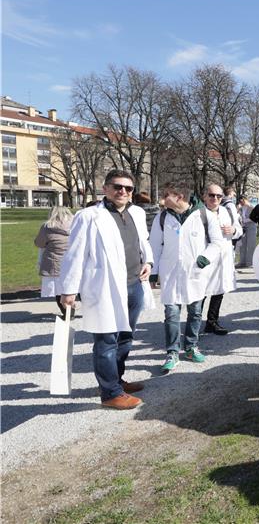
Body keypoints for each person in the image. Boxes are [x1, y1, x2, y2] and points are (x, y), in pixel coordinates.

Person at [60, 170, 154, 409]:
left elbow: (144, 242)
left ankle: (116, 380)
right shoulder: (89, 216)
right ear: (106, 188)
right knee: (106, 340)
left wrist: (149, 263)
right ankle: (110, 393)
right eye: (117, 186)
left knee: (126, 337)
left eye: (128, 188)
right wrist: (69, 290)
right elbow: (75, 254)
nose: (123, 191)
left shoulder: (137, 213)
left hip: (134, 286)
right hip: (105, 288)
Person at [151, 182, 225, 373]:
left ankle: (191, 347)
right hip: (171, 273)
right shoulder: (162, 217)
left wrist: (205, 257)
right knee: (171, 313)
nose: (162, 199)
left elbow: (217, 243)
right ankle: (172, 352)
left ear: (179, 197)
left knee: (195, 312)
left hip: (195, 273)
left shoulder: (203, 215)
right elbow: (155, 245)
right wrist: (153, 271)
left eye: (166, 195)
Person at [202, 184, 241, 335]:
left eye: (219, 196)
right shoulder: (198, 213)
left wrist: (234, 230)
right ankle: (193, 323)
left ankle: (212, 321)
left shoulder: (227, 211)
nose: (215, 199)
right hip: (205, 258)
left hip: (223, 256)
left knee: (219, 290)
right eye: (212, 195)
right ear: (205, 196)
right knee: (201, 292)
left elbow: (239, 230)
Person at [35, 206, 74, 316]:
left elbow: (39, 243)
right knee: (74, 287)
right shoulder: (76, 225)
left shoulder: (47, 226)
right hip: (73, 261)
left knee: (58, 291)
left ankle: (66, 312)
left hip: (54, 262)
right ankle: (74, 308)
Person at [236, 196, 257, 268]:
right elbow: (235, 215)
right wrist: (237, 209)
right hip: (243, 227)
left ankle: (250, 262)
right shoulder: (240, 207)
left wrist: (250, 205)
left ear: (246, 200)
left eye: (242, 201)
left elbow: (256, 216)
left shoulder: (251, 206)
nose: (241, 203)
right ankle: (242, 262)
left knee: (251, 245)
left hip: (251, 226)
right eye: (240, 201)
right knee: (242, 245)